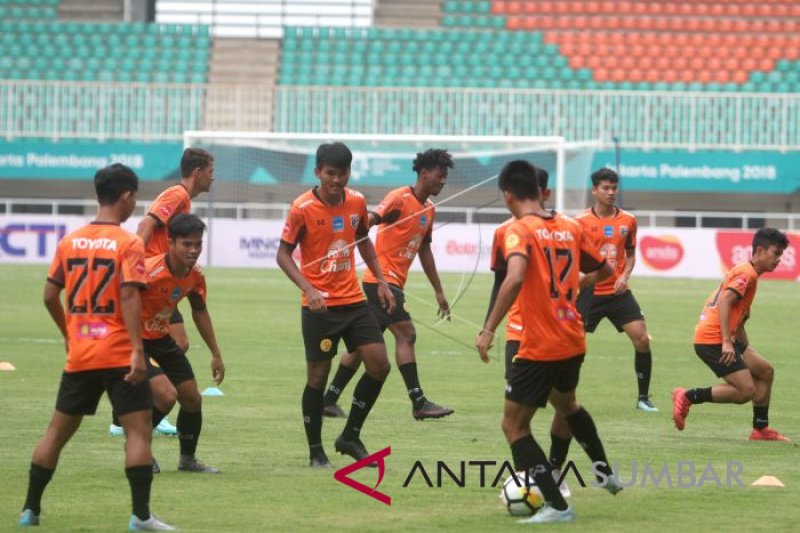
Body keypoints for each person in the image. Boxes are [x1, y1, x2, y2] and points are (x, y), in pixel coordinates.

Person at [19, 163, 175, 531]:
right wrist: (138, 350)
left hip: (82, 353)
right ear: (127, 197)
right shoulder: (128, 243)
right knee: (138, 432)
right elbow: (129, 295)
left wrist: (70, 334)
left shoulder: (69, 241)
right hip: (121, 353)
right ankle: (140, 516)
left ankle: (30, 510)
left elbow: (48, 295)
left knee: (55, 434)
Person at [476, 160, 621, 524]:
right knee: (567, 403)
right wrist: (574, 287)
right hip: (572, 335)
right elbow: (605, 269)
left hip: (539, 342)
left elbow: (513, 278)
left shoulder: (518, 230)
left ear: (507, 194)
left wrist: (489, 328)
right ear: (540, 192)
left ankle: (558, 506)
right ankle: (605, 472)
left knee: (514, 426)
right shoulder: (571, 226)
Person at [276, 142, 397, 468]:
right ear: (318, 172)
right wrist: (308, 288)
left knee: (379, 365)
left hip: (355, 301)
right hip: (319, 308)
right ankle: (316, 450)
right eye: (330, 173)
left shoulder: (356, 201)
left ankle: (350, 436)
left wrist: (381, 281)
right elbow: (282, 254)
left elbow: (364, 241)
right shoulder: (302, 208)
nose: (337, 180)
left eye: (342, 173)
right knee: (317, 378)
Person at [323, 149, 454, 421]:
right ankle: (418, 401)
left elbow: (425, 251)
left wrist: (438, 291)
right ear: (424, 173)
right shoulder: (399, 198)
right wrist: (355, 231)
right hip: (381, 283)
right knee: (406, 334)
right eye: (440, 176)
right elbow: (372, 218)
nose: (443, 181)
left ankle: (329, 399)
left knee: (361, 347)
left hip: (387, 285)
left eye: (445, 178)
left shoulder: (429, 210)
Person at [109, 147, 215, 438]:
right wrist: (136, 263)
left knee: (178, 344)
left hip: (171, 283)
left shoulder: (183, 200)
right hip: (154, 282)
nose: (212, 177)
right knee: (159, 344)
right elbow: (145, 224)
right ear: (197, 172)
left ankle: (148, 402)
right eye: (210, 171)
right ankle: (140, 405)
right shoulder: (177, 195)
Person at [486, 167, 571, 498]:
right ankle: (529, 478)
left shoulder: (564, 229)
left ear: (544, 193)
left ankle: (553, 471)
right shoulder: (505, 233)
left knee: (563, 408)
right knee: (517, 416)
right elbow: (501, 282)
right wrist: (488, 325)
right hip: (519, 335)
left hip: (553, 335)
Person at [672, 228, 790, 442]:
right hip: (713, 340)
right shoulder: (747, 274)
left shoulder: (749, 273)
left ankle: (760, 429)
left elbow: (739, 315)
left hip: (727, 337)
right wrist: (727, 342)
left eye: (781, 255)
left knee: (765, 371)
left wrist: (742, 345)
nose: (779, 259)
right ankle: (688, 396)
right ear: (760, 250)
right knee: (745, 391)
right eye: (776, 253)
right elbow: (726, 300)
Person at [139, 213, 226, 472]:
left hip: (160, 339)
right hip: (134, 340)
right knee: (167, 396)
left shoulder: (195, 276)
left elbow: (200, 311)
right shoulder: (149, 272)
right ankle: (137, 446)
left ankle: (187, 461)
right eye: (187, 244)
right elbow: (123, 301)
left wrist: (215, 353)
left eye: (198, 244)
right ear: (171, 242)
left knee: (191, 399)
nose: (194, 250)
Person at [574, 168, 657, 412]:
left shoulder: (628, 220)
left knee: (641, 338)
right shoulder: (579, 223)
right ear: (594, 190)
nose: (611, 193)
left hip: (618, 292)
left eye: (614, 188)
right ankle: (564, 396)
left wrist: (624, 275)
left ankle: (643, 398)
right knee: (570, 345)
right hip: (589, 293)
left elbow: (630, 254)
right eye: (606, 188)